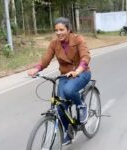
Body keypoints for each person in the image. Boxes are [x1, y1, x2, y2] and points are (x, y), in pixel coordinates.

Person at [28, 17, 91, 145]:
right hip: (64, 76)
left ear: (68, 30)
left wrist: (78, 70)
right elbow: (46, 58)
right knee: (59, 106)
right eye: (56, 30)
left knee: (69, 91)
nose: (58, 33)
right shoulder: (54, 44)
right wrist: (37, 68)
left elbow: (85, 56)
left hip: (82, 73)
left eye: (61, 29)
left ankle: (81, 105)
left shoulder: (78, 39)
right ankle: (69, 132)